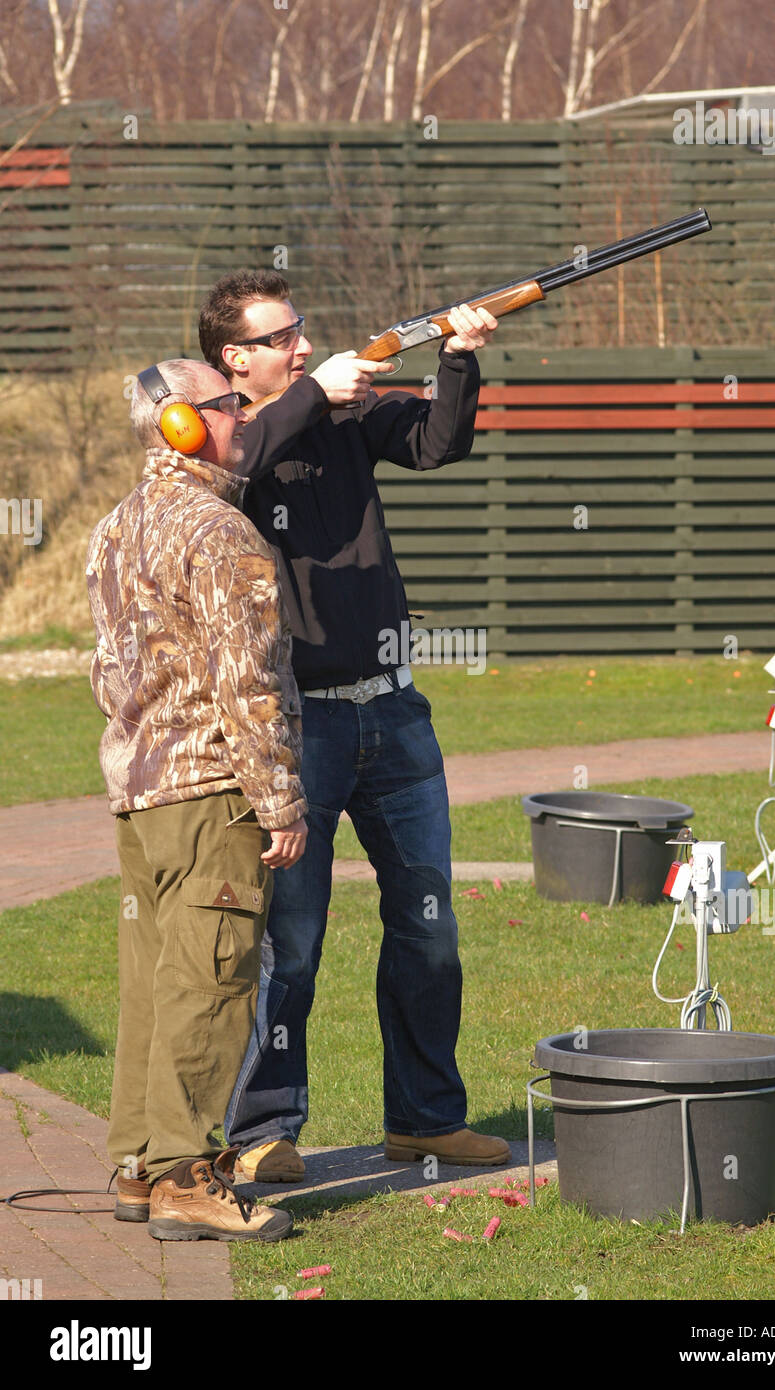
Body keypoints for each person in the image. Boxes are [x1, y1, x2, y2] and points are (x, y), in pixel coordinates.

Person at [198, 271, 511, 1182]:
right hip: (300, 723)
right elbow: (235, 470)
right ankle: (261, 1133)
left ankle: (424, 1119)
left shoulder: (341, 414)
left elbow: (438, 444)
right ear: (235, 358)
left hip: (394, 707)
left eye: (301, 331)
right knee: (290, 941)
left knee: (428, 925)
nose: (300, 344)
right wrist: (309, 393)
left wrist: (457, 356)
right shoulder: (227, 434)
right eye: (280, 336)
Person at [86, 357, 308, 1240]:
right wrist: (280, 801)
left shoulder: (113, 527)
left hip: (141, 795)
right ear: (183, 423)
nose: (246, 413)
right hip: (213, 791)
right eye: (230, 403)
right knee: (210, 983)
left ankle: (139, 1165)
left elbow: (109, 671)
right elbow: (246, 683)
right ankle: (184, 1178)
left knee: (153, 982)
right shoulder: (220, 533)